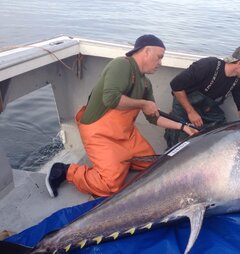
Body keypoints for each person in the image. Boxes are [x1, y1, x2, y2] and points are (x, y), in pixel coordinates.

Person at [46, 34, 198, 198]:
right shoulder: (121, 65)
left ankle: (122, 162)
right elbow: (111, 98)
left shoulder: (146, 83)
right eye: (159, 57)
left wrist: (184, 127)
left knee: (154, 167)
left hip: (126, 135)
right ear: (146, 51)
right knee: (109, 186)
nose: (160, 63)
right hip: (101, 135)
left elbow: (153, 117)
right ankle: (65, 170)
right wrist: (143, 104)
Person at [164, 45, 240, 148]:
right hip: (184, 107)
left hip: (206, 110)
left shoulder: (238, 80)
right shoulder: (208, 65)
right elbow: (175, 85)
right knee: (181, 141)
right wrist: (191, 112)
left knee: (221, 128)